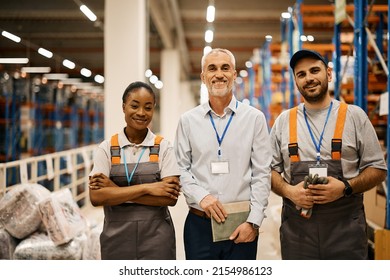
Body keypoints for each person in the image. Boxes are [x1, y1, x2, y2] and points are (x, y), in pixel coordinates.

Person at [270, 49, 387, 260]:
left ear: (329, 74)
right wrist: (289, 191)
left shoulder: (354, 117)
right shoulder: (283, 122)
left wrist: (346, 188)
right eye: (301, 74)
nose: (309, 78)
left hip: (346, 233)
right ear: (296, 81)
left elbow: (378, 169)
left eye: (315, 70)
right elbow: (267, 171)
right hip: (298, 235)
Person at [174, 48, 272, 260]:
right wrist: (202, 197)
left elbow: (262, 173)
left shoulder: (254, 119)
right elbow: (180, 168)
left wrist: (253, 222)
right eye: (212, 68)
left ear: (234, 75)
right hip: (199, 225)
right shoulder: (188, 121)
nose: (219, 74)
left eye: (225, 68)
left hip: (242, 224)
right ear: (203, 77)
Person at [89, 81, 181, 260]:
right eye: (134, 106)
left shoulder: (164, 148)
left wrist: (113, 189)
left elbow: (170, 199)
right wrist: (148, 188)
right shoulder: (106, 148)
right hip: (116, 239)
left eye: (148, 107)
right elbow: (96, 197)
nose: (141, 113)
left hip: (157, 239)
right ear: (124, 107)